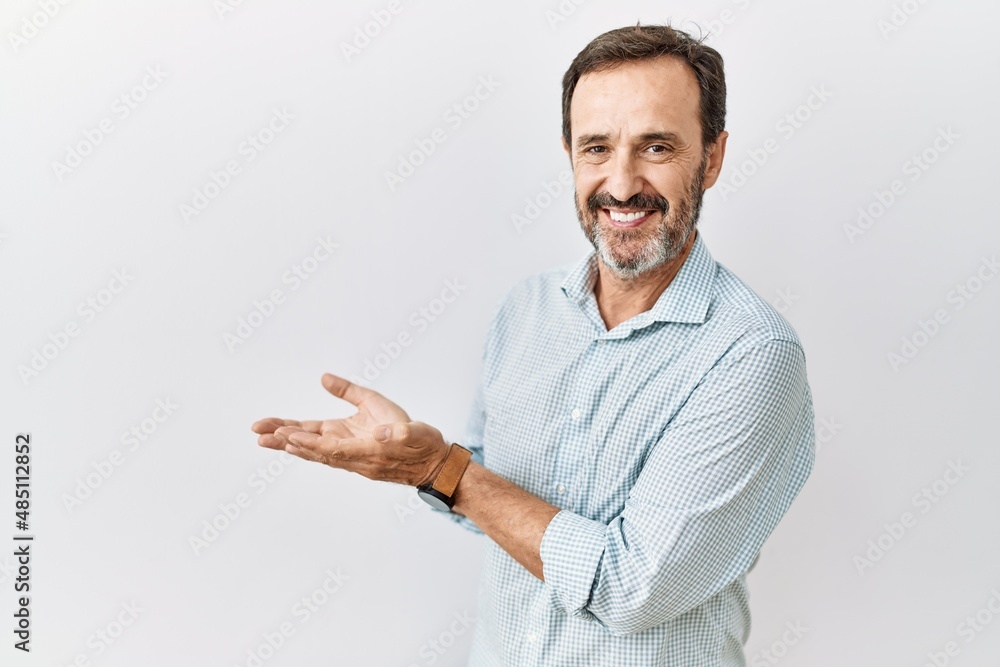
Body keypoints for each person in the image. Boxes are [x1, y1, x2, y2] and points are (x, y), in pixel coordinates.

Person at [253, 23, 815, 666]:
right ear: (569, 154)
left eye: (656, 147)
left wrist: (443, 470)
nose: (622, 183)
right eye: (596, 147)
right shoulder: (527, 312)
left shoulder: (750, 352)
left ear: (711, 158)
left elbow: (631, 588)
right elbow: (486, 501)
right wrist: (410, 459)